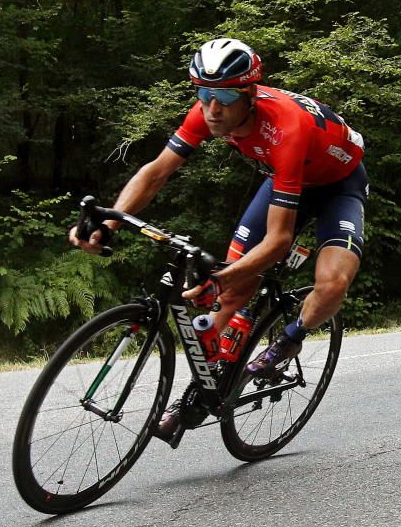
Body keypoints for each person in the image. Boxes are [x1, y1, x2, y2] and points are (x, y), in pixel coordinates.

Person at [69, 38, 367, 443]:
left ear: (250, 96)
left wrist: (223, 277)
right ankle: (204, 389)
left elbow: (279, 241)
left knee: (332, 283)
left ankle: (287, 342)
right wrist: (109, 223)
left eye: (224, 96)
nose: (212, 108)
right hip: (283, 179)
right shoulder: (206, 112)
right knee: (230, 289)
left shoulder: (286, 127)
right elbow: (156, 172)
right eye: (204, 94)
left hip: (337, 184)